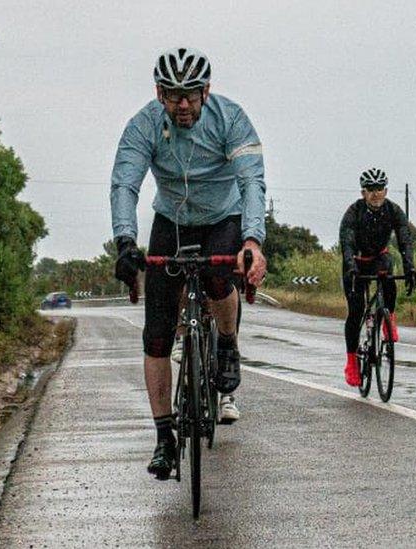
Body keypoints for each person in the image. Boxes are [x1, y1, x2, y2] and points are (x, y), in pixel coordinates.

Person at [110, 47, 267, 480]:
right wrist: (125, 241)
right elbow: (125, 182)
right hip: (172, 220)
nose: (182, 105)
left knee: (220, 279)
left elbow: (251, 181)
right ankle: (164, 437)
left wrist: (252, 239)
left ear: (206, 91)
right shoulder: (144, 124)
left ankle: (227, 342)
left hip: (223, 216)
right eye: (173, 95)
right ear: (160, 93)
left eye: (191, 95)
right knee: (157, 334)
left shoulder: (230, 119)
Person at [339, 169, 416, 386]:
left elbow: (405, 241)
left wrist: (410, 267)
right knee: (356, 311)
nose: (376, 194)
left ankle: (387, 318)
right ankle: (352, 363)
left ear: (386, 190)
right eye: (371, 190)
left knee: (388, 277)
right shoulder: (353, 212)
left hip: (378, 257)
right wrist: (350, 267)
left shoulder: (394, 210)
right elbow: (346, 243)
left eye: (379, 189)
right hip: (356, 260)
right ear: (363, 192)